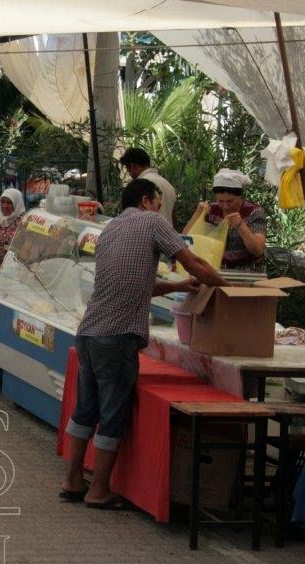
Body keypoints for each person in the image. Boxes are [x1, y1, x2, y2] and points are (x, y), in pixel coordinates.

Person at [60, 178, 228, 509]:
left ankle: (73, 479)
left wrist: (177, 285)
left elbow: (137, 284)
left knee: (86, 409)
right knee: (111, 414)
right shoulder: (151, 221)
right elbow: (193, 261)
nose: (161, 209)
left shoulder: (110, 229)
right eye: (159, 200)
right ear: (145, 200)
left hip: (89, 333)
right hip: (117, 336)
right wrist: (227, 289)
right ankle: (99, 490)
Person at [207, 168, 267, 272]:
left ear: (240, 196)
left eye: (230, 201)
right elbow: (188, 238)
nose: (225, 206)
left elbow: (258, 250)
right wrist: (198, 213)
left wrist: (241, 225)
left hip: (248, 271)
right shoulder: (211, 210)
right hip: (216, 270)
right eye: (220, 201)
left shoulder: (254, 212)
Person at [119, 147, 177, 227]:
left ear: (132, 166)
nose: (128, 173)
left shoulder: (139, 186)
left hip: (149, 236)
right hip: (168, 234)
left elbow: (135, 218)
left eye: (127, 168)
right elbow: (173, 216)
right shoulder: (167, 184)